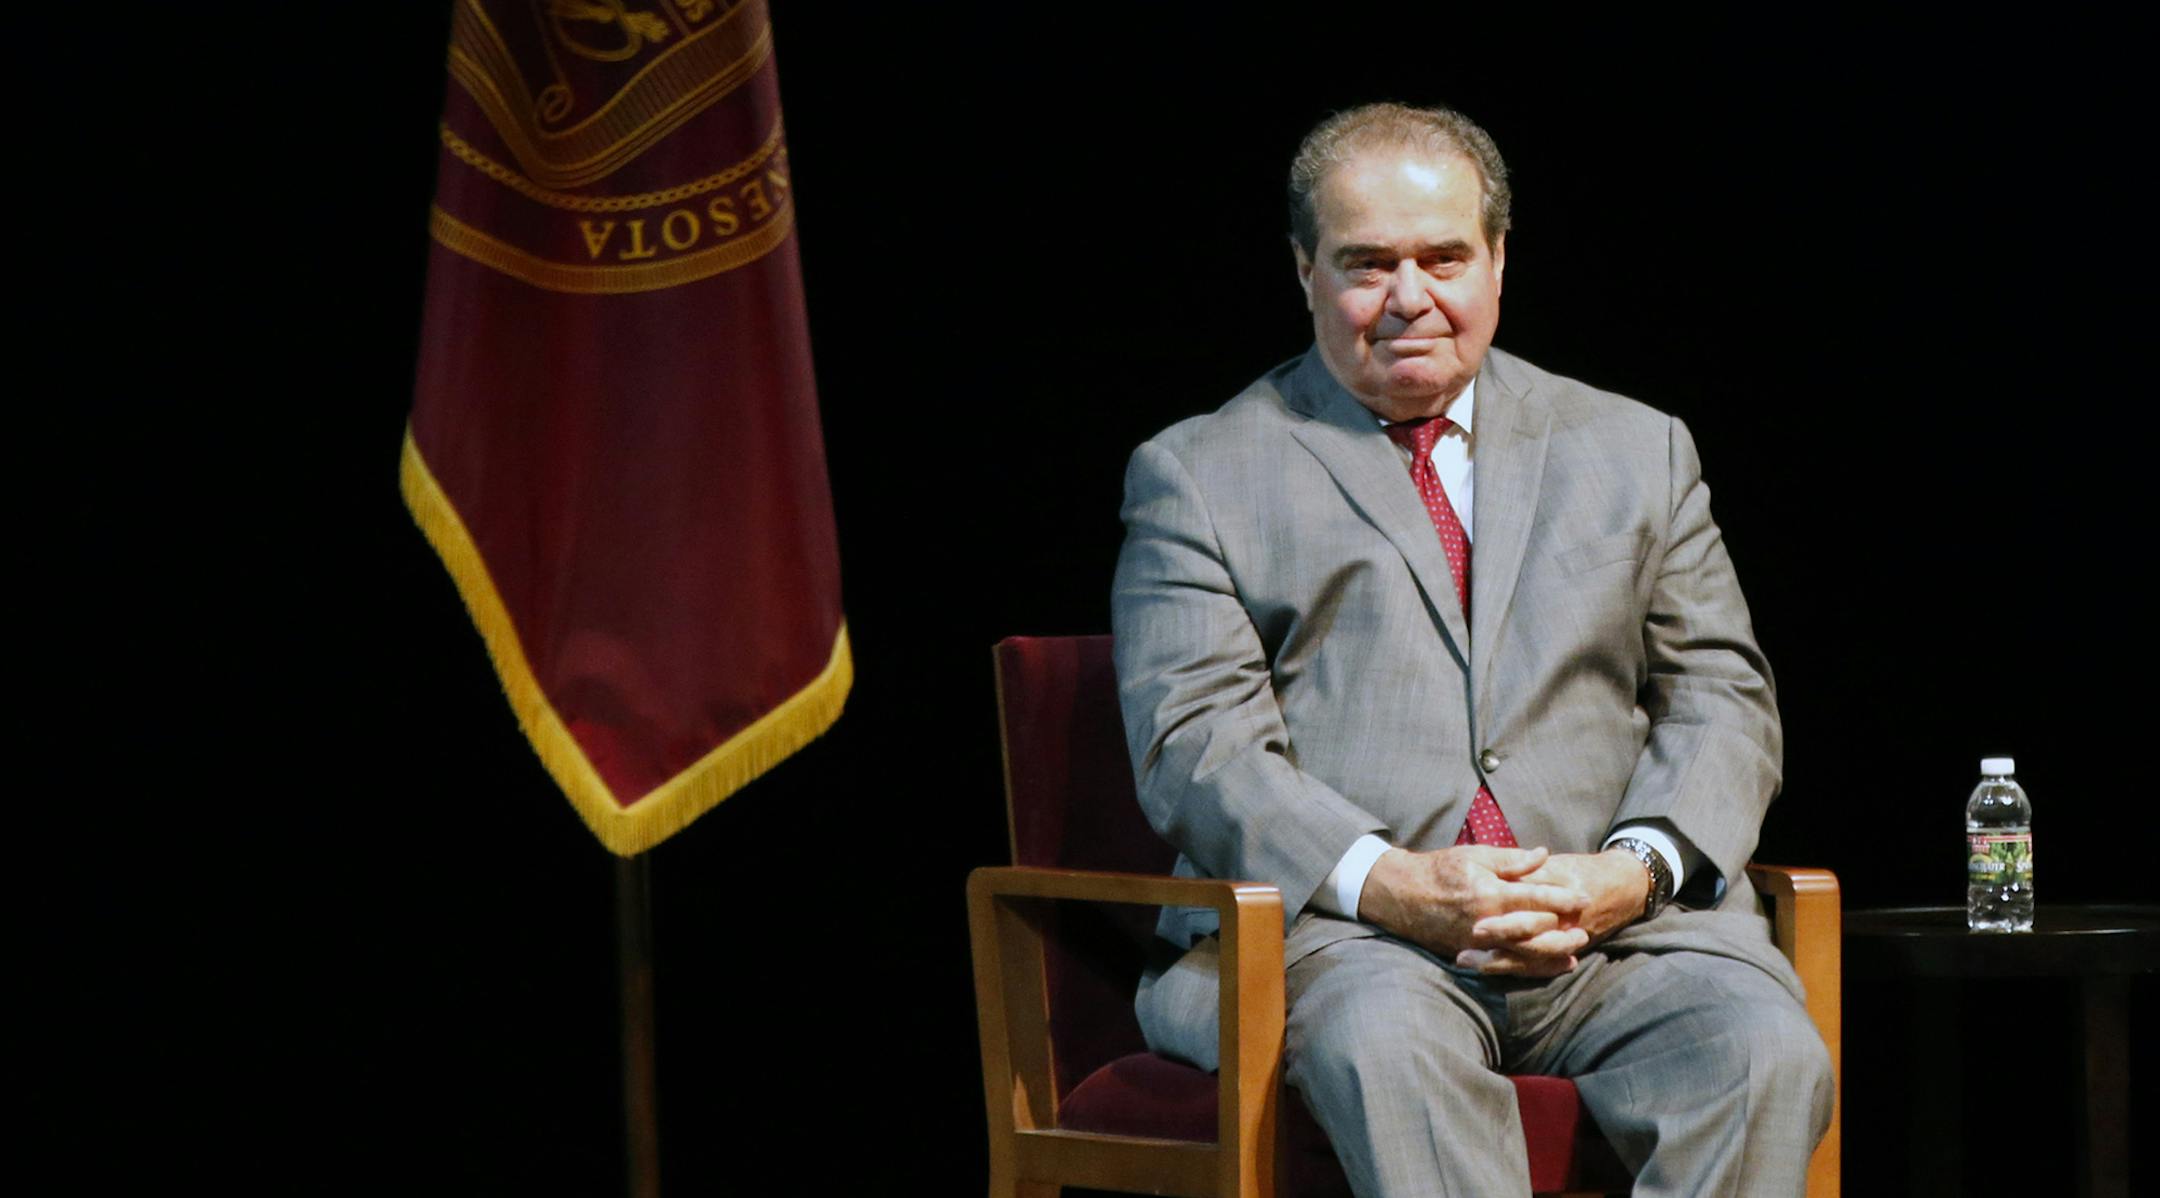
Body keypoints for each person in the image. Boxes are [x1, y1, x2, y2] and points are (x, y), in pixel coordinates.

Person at [1110, 102, 1834, 1197]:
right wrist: (1397, 884)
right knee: (1389, 1053)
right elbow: (1197, 746)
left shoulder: (1638, 448)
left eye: (1443, 257)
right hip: (1346, 943)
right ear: (1305, 270)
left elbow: (1722, 701)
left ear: (1498, 259)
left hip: (1617, 937)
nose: (1410, 296)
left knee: (1762, 1052)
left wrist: (1626, 873)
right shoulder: (1200, 473)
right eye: (1367, 264)